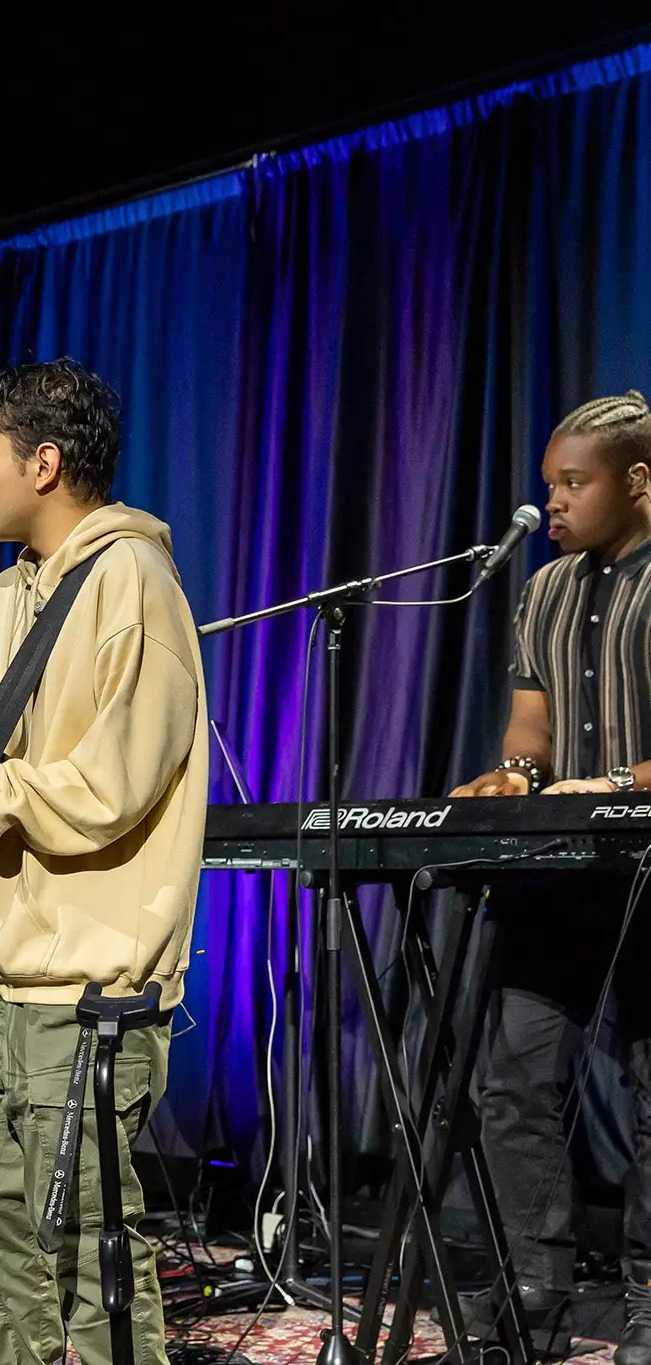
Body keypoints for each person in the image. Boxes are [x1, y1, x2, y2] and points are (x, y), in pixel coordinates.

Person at [0, 358, 207, 1365]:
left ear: (45, 462)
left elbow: (113, 785)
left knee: (84, 1246)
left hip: (92, 979)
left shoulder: (133, 584)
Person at [448, 390, 651, 1363]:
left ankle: (649, 1296)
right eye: (547, 487)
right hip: (561, 873)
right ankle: (534, 1285)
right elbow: (527, 729)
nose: (555, 503)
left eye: (573, 483)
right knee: (514, 1078)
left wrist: (605, 784)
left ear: (637, 481)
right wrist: (513, 776)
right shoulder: (545, 590)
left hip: (648, 865)